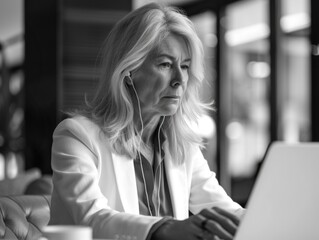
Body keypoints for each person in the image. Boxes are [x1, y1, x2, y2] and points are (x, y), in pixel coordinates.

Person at [49, 2, 245, 240]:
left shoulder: (183, 146)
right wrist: (165, 228)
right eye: (165, 64)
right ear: (129, 70)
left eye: (184, 66)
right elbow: (92, 219)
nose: (179, 80)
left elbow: (224, 210)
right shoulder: (76, 136)